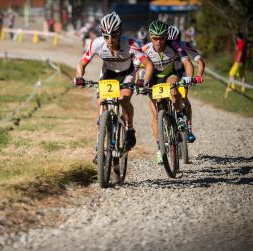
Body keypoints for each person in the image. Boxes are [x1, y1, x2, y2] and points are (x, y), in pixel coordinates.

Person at [73, 12, 154, 160]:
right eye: (106, 36)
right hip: (108, 74)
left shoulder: (131, 44)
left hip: (126, 74)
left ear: (120, 33)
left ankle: (129, 129)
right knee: (100, 104)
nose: (110, 40)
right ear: (102, 35)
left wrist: (143, 81)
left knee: (123, 99)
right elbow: (82, 63)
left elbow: (148, 65)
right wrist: (79, 77)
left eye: (113, 36)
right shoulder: (96, 43)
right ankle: (100, 146)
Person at [141, 20, 194, 164]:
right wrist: (139, 83)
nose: (159, 41)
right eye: (155, 38)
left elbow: (187, 63)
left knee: (174, 91)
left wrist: (188, 78)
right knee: (155, 114)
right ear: (150, 37)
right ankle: (160, 148)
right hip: (153, 80)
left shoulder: (175, 46)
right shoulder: (145, 49)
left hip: (170, 75)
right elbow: (138, 69)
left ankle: (180, 117)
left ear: (166, 37)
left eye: (162, 38)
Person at [168, 25, 205, 143]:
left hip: (182, 72)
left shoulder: (184, 45)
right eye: (170, 41)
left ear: (179, 39)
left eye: (176, 40)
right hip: (169, 73)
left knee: (183, 98)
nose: (173, 44)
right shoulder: (163, 46)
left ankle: (189, 129)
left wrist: (198, 76)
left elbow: (200, 61)